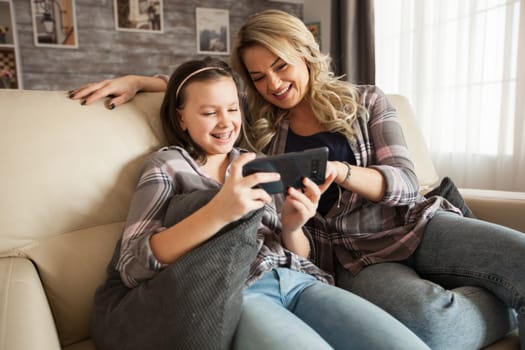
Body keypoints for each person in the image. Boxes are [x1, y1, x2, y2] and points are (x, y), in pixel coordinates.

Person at [69, 10, 525, 350]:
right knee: (434, 330)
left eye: (281, 66)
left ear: (305, 55)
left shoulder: (365, 102)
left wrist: (341, 172)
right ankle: (503, 305)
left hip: (411, 223)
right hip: (349, 258)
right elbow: (206, 94)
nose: (273, 83)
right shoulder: (261, 134)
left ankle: (504, 290)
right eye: (259, 76)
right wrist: (137, 81)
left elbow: (404, 183)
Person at [89, 56, 430, 350]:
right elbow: (134, 266)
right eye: (209, 112)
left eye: (233, 109)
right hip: (241, 294)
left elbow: (300, 255)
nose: (225, 123)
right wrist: (219, 212)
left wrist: (295, 223)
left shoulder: (256, 163)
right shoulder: (168, 167)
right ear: (181, 118)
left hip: (300, 281)